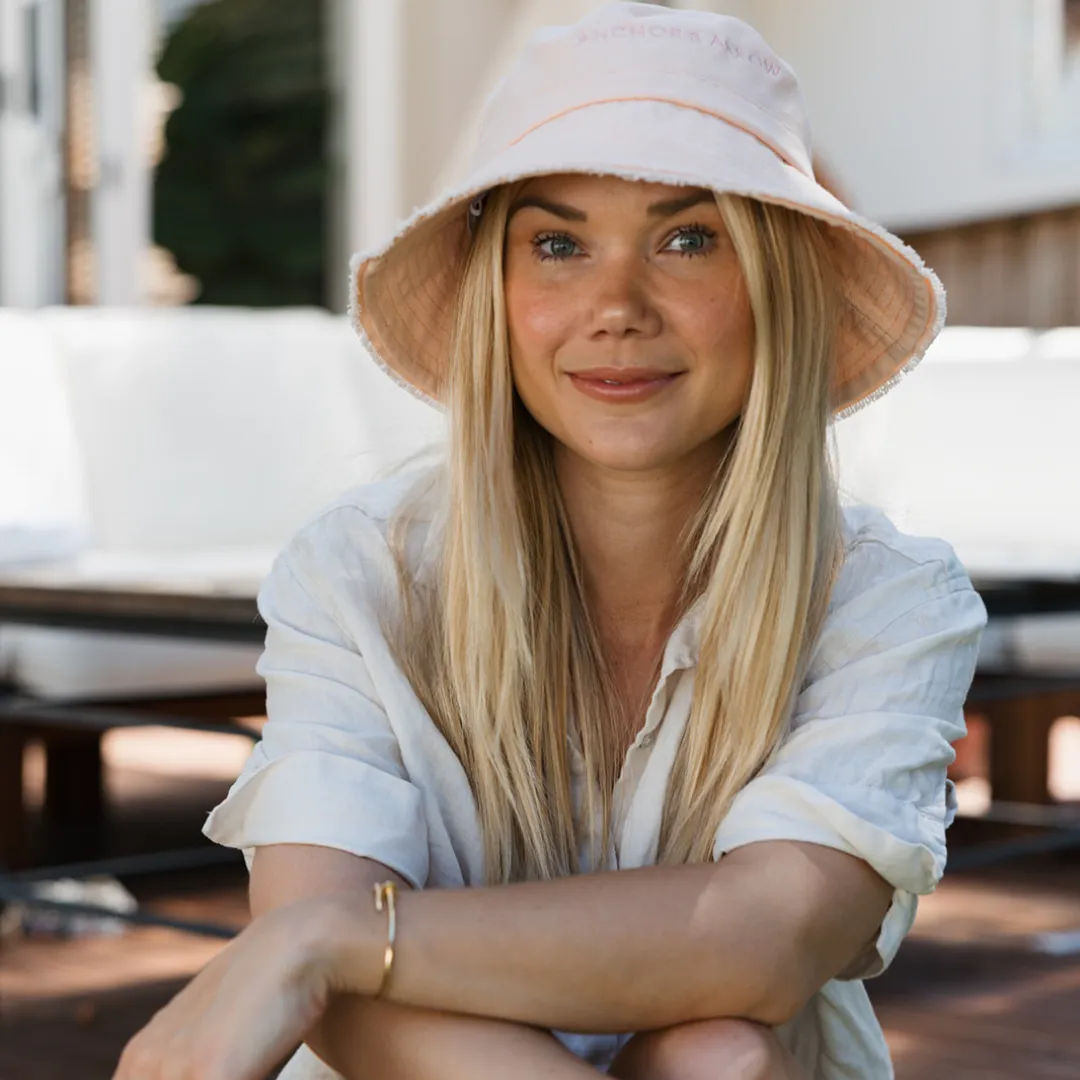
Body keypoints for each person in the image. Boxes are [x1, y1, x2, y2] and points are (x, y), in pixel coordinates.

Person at [114, 4, 987, 1079]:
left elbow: (766, 943)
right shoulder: (359, 574)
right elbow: (329, 994)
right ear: (501, 292)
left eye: (687, 238)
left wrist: (326, 941)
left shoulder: (888, 601)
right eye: (559, 244)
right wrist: (321, 944)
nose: (615, 306)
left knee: (726, 1052)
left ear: (776, 286)